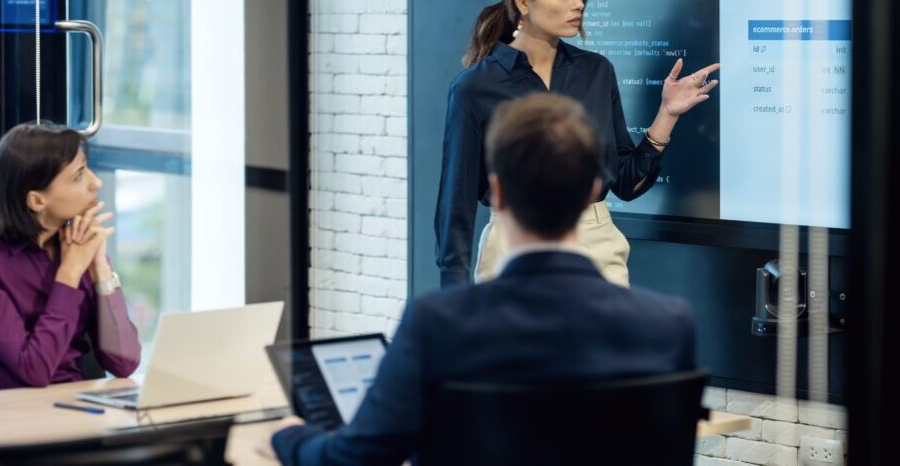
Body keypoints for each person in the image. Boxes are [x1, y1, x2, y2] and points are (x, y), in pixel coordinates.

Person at [258, 93, 696, 465]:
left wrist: (287, 436)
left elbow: (357, 457)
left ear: (498, 192)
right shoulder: (667, 325)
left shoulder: (439, 324)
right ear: (589, 191)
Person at [436, 0, 720, 288]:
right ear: (523, 1)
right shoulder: (474, 88)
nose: (578, 4)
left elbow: (626, 184)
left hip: (596, 245)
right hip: (511, 246)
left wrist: (667, 114)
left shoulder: (596, 72)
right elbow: (456, 207)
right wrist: (454, 298)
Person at [0, 122, 141, 392]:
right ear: (36, 201)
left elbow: (124, 363)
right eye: (79, 175)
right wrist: (70, 273)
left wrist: (100, 269)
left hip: (76, 408)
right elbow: (34, 370)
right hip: (6, 418)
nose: (97, 182)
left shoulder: (76, 244)